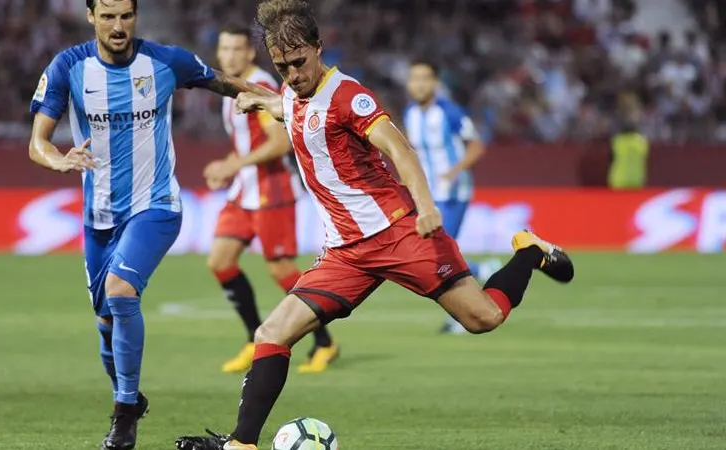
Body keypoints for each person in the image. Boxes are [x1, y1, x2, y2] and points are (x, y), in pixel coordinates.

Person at [175, 1, 574, 449]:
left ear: (318, 48)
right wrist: (227, 86)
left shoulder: (348, 96)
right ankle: (242, 443)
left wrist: (425, 207)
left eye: (299, 63)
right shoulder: (292, 92)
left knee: (483, 317)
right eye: (282, 66)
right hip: (346, 253)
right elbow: (282, 101)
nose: (292, 74)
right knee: (272, 333)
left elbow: (399, 151)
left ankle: (528, 251)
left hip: (400, 232)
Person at [28, 1, 276, 449]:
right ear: (91, 17)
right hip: (99, 216)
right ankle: (129, 396)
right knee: (105, 321)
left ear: (135, 15)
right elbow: (37, 143)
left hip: (156, 206)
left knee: (121, 292)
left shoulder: (165, 60)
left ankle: (124, 416)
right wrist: (60, 160)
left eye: (126, 15)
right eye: (108, 16)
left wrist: (274, 100)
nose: (118, 25)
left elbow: (219, 81)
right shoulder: (69, 67)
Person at [203, 24, 339, 374]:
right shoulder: (229, 87)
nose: (230, 56)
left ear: (250, 53)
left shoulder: (261, 86)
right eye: (225, 49)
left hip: (272, 191)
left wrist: (233, 164)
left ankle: (325, 343)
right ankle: (253, 337)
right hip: (242, 193)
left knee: (280, 269)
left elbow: (280, 143)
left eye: (237, 50)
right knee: (220, 261)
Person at [403, 60, 501, 335]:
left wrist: (454, 172)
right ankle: (482, 270)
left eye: (424, 79)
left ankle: (464, 315)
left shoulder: (450, 112)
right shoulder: (410, 113)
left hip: (453, 193)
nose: (419, 84)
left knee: (440, 254)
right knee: (434, 254)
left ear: (435, 83)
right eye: (414, 79)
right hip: (428, 194)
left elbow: (476, 146)